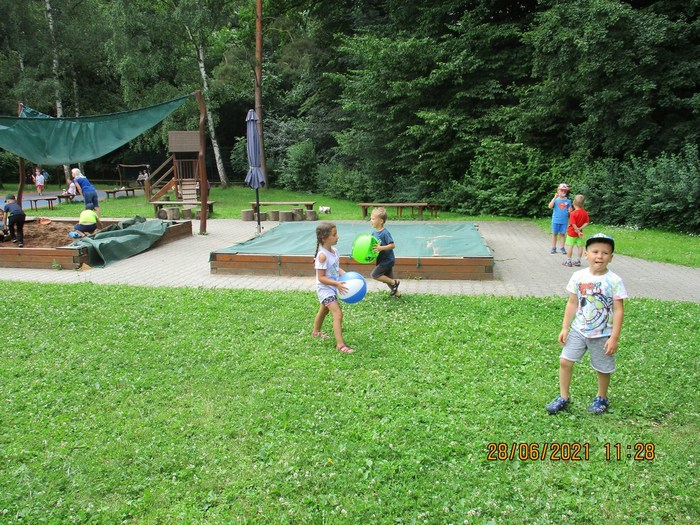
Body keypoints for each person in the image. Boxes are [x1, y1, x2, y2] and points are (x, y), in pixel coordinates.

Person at [546, 233, 627, 415]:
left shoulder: (614, 281)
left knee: (603, 368)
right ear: (586, 255)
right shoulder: (578, 276)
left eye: (605, 253)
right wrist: (565, 327)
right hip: (578, 330)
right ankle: (563, 397)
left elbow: (618, 310)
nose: (600, 256)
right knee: (565, 361)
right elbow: (572, 303)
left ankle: (601, 397)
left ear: (611, 257)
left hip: (603, 333)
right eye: (595, 252)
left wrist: (614, 337)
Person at [312, 221, 354, 354]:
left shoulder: (335, 251)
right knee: (338, 314)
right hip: (325, 289)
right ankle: (340, 345)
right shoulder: (322, 256)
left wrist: (347, 276)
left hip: (332, 287)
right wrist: (337, 284)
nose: (337, 237)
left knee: (324, 310)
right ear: (324, 238)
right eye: (334, 235)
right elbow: (321, 278)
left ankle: (315, 332)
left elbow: (336, 269)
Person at [369, 207, 401, 297]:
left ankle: (394, 282)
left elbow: (392, 245)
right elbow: (373, 247)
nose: (371, 221)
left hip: (387, 260)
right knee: (387, 279)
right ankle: (398, 295)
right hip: (381, 259)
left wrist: (381, 248)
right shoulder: (373, 233)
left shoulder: (385, 233)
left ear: (381, 221)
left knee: (375, 275)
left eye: (373, 219)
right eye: (371, 218)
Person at [562, 194, 590, 267]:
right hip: (579, 234)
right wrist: (580, 229)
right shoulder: (584, 213)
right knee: (580, 246)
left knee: (570, 246)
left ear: (574, 202)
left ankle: (569, 261)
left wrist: (577, 230)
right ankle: (578, 261)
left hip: (572, 233)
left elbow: (573, 224)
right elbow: (586, 223)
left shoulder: (573, 213)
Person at [548, 183, 572, 255]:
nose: (563, 192)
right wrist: (554, 198)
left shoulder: (568, 201)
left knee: (562, 234)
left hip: (564, 221)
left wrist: (570, 212)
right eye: (561, 190)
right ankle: (553, 247)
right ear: (558, 191)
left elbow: (570, 211)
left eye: (565, 191)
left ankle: (562, 247)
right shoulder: (556, 200)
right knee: (554, 234)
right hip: (555, 220)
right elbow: (550, 206)